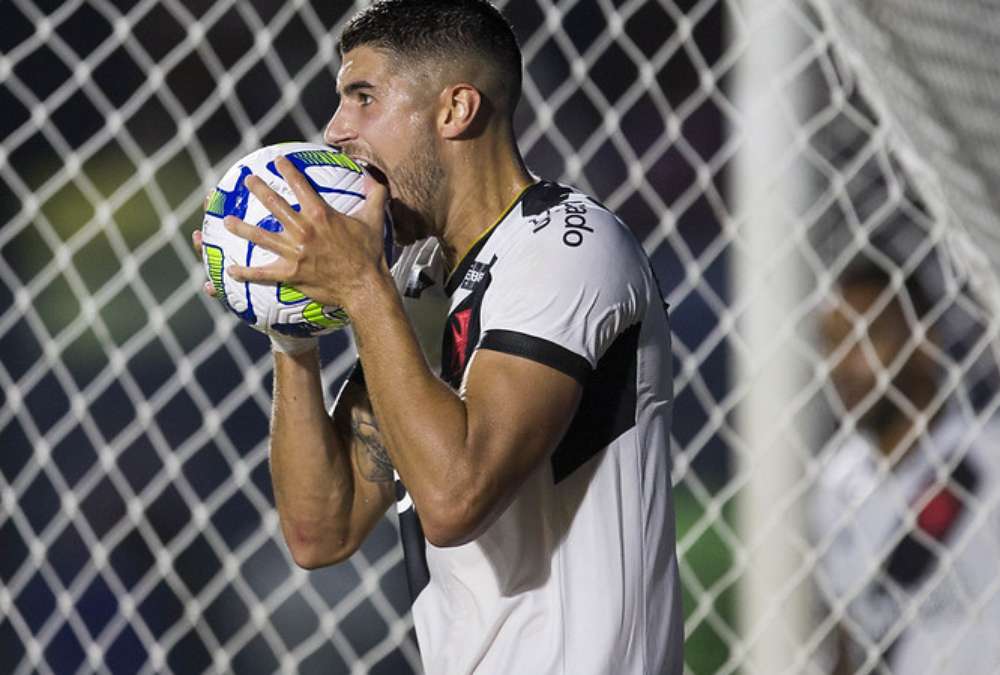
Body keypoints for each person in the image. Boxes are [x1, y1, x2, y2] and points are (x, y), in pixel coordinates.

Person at [191, 1, 683, 673]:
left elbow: (455, 497)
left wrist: (363, 289)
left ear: (456, 110)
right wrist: (290, 329)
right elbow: (320, 531)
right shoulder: (420, 282)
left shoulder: (570, 247)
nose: (336, 131)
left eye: (363, 98)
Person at [809, 257, 1000, 674]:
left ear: (923, 342)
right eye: (831, 343)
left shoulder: (998, 450)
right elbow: (846, 637)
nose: (842, 365)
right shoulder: (834, 484)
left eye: (864, 337)